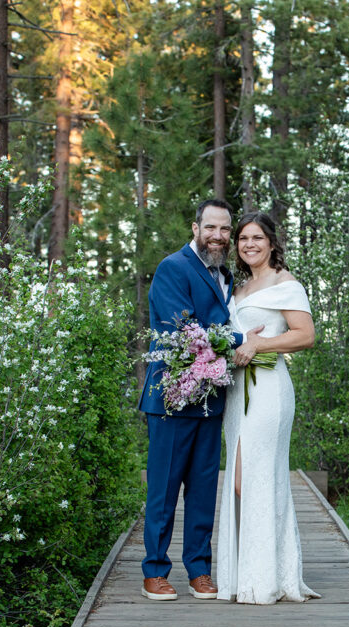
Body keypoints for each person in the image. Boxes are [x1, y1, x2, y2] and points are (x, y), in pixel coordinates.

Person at [139, 199, 263, 601]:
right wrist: (246, 340)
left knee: (204, 488)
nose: (218, 236)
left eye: (225, 230)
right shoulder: (173, 268)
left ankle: (199, 570)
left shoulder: (225, 274)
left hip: (212, 398)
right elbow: (187, 330)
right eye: (211, 228)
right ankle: (155, 571)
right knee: (164, 487)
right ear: (195, 228)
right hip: (172, 400)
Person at [216, 211, 320, 604]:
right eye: (243, 239)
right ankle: (249, 574)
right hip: (237, 391)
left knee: (253, 478)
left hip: (268, 389)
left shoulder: (285, 284)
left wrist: (260, 344)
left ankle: (267, 576)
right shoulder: (238, 288)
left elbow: (305, 335)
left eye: (257, 237)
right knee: (243, 479)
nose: (249, 244)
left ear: (272, 242)